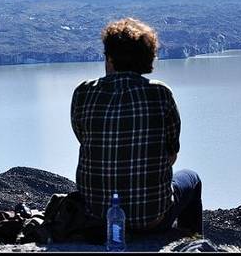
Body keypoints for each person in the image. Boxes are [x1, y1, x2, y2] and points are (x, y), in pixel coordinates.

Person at [70, 17, 203, 236]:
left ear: (110, 57)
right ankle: (191, 243)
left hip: (97, 218)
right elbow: (172, 153)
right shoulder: (160, 93)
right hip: (150, 219)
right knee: (192, 179)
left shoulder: (83, 92)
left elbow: (82, 138)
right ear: (147, 57)